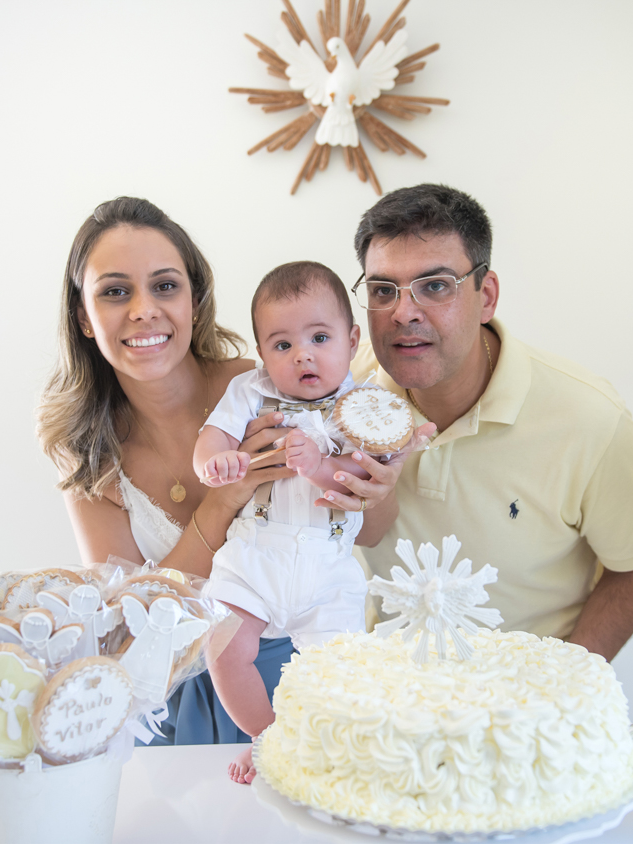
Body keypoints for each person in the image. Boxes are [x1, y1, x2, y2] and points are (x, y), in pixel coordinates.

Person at [36, 197, 410, 749]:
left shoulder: (269, 386)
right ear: (84, 318)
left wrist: (369, 481)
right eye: (115, 292)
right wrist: (225, 499)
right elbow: (130, 625)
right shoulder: (89, 453)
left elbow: (371, 531)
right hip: (174, 700)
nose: (143, 310)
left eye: (165, 286)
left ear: (195, 299)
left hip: (294, 666)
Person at [349, 184, 633, 661]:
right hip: (387, 703)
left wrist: (566, 681)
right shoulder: (342, 395)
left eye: (435, 286)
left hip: (526, 711)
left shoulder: (590, 420)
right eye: (382, 290)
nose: (403, 313)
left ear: (487, 295)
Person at [194, 261, 429, 783]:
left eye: (319, 337)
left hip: (327, 568)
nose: (302, 354)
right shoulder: (251, 392)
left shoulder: (362, 404)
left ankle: (328, 746)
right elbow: (212, 437)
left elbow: (363, 475)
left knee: (342, 671)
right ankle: (265, 737)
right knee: (225, 645)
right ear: (262, 356)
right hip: (257, 554)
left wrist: (320, 466)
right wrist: (215, 462)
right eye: (281, 345)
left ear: (350, 341)